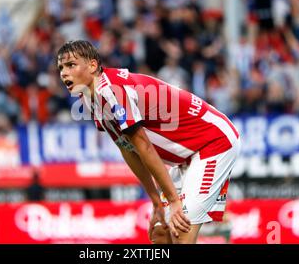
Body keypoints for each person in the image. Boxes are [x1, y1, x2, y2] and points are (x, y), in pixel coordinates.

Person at [56, 40, 240, 244]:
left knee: (181, 230)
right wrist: (156, 202)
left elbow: (143, 145)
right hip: (188, 157)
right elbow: (128, 149)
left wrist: (173, 201)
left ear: (92, 66)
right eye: (61, 68)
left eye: (71, 65)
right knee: (161, 236)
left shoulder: (111, 90)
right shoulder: (91, 100)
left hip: (213, 142)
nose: (64, 73)